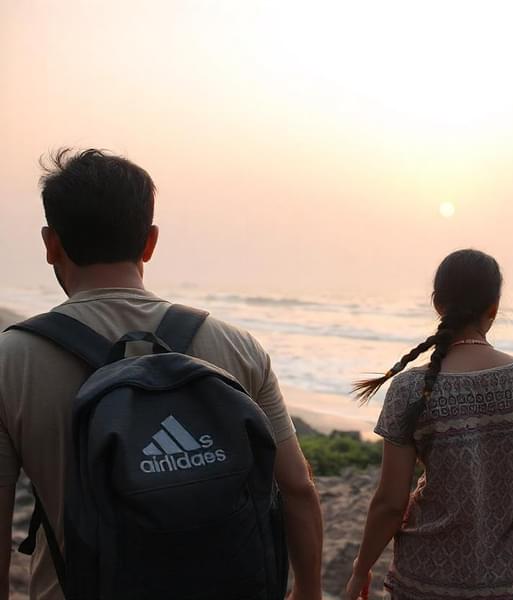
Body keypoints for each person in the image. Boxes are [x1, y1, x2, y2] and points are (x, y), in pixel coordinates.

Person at [0, 149, 323, 600]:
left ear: (51, 243)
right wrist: (307, 589)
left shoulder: (12, 360)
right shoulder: (236, 345)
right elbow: (297, 488)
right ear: (150, 242)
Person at [344, 249, 513, 600]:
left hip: (427, 580)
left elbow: (390, 503)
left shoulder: (409, 388)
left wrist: (360, 568)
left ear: (438, 304)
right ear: (494, 308)